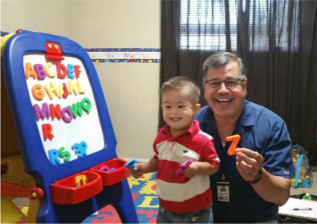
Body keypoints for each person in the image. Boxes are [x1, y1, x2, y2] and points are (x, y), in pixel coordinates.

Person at [194, 52, 294, 223]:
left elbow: (281, 197)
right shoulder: (191, 125)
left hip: (255, 218)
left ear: (244, 86)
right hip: (201, 217)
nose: (223, 90)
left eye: (231, 82)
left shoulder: (272, 126)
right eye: (214, 83)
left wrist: (257, 176)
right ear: (205, 88)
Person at [129, 76, 220, 223]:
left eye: (180, 106)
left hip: (195, 212)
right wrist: (144, 168)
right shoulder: (161, 136)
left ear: (195, 109)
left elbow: (214, 165)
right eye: (168, 106)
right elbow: (158, 160)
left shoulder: (203, 139)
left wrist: (197, 167)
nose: (173, 112)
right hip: (165, 208)